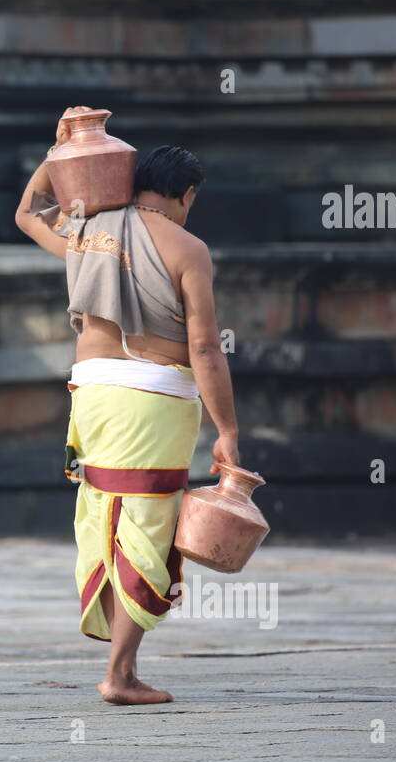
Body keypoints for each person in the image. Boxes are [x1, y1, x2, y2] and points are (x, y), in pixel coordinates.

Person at [14, 107, 240, 705]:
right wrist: (228, 431)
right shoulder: (188, 248)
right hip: (156, 398)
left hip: (90, 393)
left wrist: (59, 153)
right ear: (186, 194)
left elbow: (26, 214)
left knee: (104, 514)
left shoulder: (87, 230)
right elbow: (204, 348)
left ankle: (123, 665)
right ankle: (119, 672)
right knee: (149, 525)